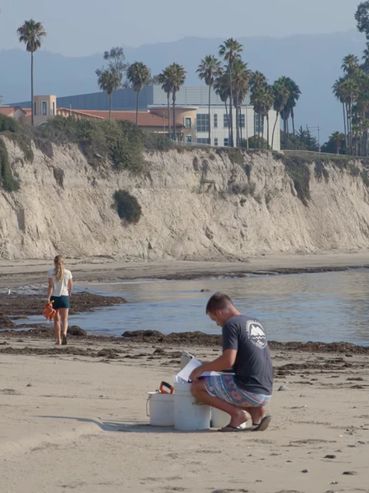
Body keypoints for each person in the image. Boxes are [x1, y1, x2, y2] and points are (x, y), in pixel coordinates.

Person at [190, 292, 273, 432]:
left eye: (214, 319)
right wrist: (209, 366)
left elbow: (228, 361)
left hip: (250, 392)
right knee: (223, 379)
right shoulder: (254, 322)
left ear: (219, 312)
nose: (217, 324)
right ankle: (256, 412)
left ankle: (237, 415)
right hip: (266, 391)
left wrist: (200, 370)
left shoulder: (231, 325)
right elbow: (245, 361)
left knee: (197, 387)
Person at [47, 255, 73, 345]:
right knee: (65, 319)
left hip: (54, 297)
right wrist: (69, 293)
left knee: (56, 320)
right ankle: (64, 333)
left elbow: (50, 286)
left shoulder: (50, 272)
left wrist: (48, 297)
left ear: (54, 263)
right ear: (63, 263)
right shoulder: (68, 272)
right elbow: (70, 286)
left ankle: (58, 340)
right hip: (64, 297)